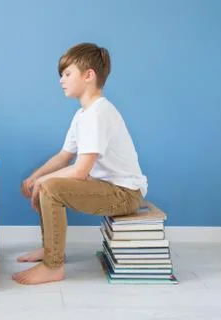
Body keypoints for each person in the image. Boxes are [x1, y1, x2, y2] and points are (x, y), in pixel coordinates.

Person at [12, 43, 148, 285]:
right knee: (47, 183)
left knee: (51, 187)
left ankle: (53, 266)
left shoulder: (99, 113)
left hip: (125, 193)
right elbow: (64, 156)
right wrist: (36, 176)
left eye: (67, 74)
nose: (61, 80)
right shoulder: (83, 115)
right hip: (105, 186)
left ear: (88, 75)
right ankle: (50, 249)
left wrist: (44, 182)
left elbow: (80, 170)